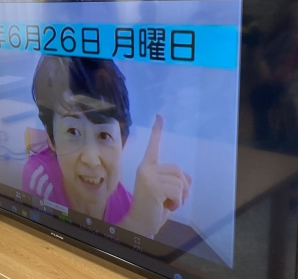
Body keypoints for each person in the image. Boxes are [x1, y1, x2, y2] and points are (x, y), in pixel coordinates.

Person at [23, 56, 191, 237]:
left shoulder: (130, 207)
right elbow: (51, 249)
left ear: (122, 142)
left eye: (104, 135)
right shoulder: (40, 177)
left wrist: (145, 228)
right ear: (52, 139)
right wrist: (135, 225)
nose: (91, 159)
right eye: (73, 132)